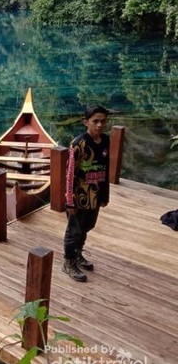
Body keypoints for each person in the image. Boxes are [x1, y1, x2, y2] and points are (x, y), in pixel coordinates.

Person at [63, 104, 110, 282]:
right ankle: (68, 261)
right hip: (78, 196)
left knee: (87, 226)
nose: (99, 125)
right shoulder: (78, 144)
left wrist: (105, 195)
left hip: (95, 194)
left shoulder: (105, 140)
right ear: (86, 122)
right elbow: (69, 174)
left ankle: (77, 254)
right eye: (95, 121)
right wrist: (69, 201)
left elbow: (106, 168)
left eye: (103, 121)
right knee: (74, 230)